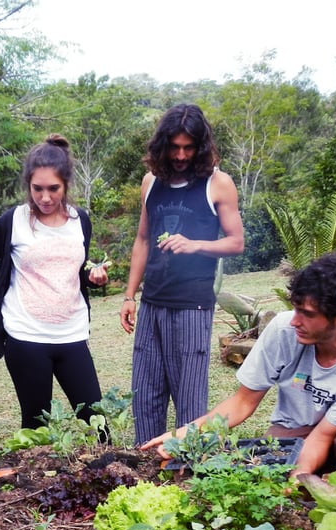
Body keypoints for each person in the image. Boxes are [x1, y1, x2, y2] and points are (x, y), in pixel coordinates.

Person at [143, 255, 336, 477]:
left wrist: (300, 476)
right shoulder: (283, 330)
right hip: (294, 432)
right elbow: (243, 402)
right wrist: (188, 433)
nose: (295, 321)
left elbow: (324, 435)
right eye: (296, 309)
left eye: (308, 314)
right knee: (264, 468)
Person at [119, 104, 244, 445]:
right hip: (152, 302)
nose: (180, 155)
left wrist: (195, 245)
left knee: (188, 397)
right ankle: (147, 459)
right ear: (163, 145)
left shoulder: (218, 184)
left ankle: (187, 464)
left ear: (200, 146)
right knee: (145, 394)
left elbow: (236, 242)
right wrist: (130, 296)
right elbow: (143, 240)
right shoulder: (151, 182)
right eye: (174, 147)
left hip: (192, 304)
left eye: (188, 147)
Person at [0, 134, 109, 430]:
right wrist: (3, 301)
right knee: (37, 429)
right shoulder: (13, 221)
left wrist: (93, 278)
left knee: (97, 423)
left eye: (53, 188)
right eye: (38, 189)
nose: (45, 197)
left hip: (72, 335)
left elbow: (73, 271)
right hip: (26, 338)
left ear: (66, 184)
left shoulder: (80, 221)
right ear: (28, 185)